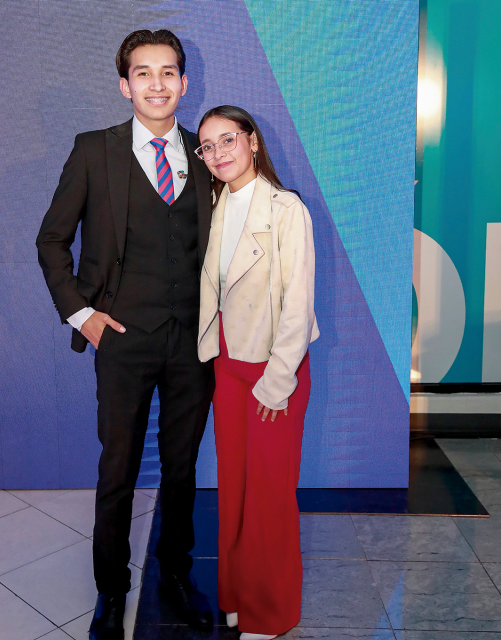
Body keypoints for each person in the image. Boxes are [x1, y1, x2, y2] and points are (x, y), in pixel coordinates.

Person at [36, 30, 215, 640]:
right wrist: (80, 314)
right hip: (122, 339)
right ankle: (111, 591)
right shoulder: (94, 150)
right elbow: (51, 240)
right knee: (117, 469)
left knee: (182, 467)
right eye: (144, 73)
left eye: (168, 73)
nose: (156, 84)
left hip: (193, 340)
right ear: (124, 85)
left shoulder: (207, 152)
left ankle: (175, 577)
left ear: (184, 83)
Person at [196, 105, 320, 640]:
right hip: (227, 368)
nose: (218, 153)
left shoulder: (286, 208)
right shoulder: (213, 206)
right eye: (207, 146)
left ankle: (269, 614)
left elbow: (299, 302)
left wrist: (278, 378)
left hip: (274, 371)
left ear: (251, 141)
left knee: (269, 493)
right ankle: (237, 596)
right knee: (234, 489)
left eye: (228, 139)